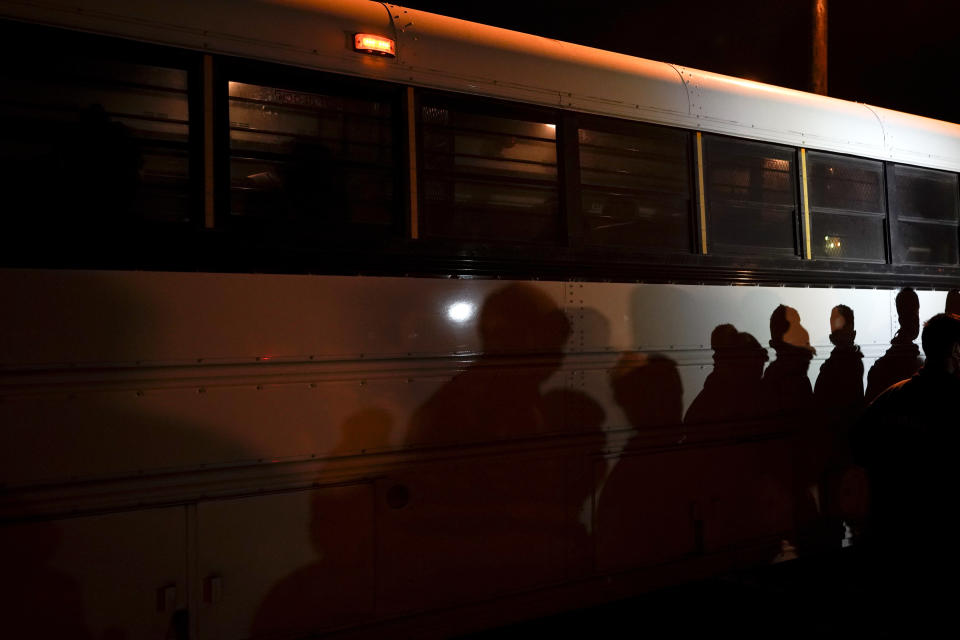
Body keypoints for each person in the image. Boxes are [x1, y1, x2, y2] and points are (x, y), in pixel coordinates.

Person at [851, 313, 960, 633]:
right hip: (941, 542)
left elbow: (858, 446)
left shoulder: (891, 396)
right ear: (955, 350)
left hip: (894, 536)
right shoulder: (955, 401)